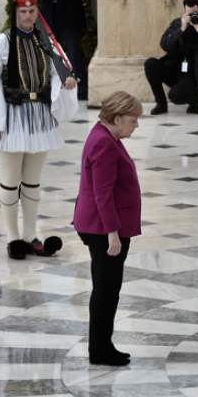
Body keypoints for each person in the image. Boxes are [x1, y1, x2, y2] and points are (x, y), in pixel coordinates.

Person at [0, 0, 78, 260]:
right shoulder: (1, 43)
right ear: (14, 13)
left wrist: (65, 83)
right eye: (23, 12)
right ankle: (12, 237)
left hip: (40, 117)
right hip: (11, 118)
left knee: (32, 182)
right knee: (9, 180)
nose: (28, 17)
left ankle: (30, 236)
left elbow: (57, 73)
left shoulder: (46, 43)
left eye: (32, 12)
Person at [73, 91, 142, 366]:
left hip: (104, 226)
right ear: (116, 118)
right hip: (104, 230)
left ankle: (103, 344)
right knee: (106, 290)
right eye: (133, 120)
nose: (136, 126)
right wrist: (113, 233)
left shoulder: (105, 134)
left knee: (106, 289)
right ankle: (100, 350)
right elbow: (102, 193)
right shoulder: (104, 143)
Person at [144, 0, 198, 115]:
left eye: (195, 14)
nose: (192, 17)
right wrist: (181, 29)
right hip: (176, 70)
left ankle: (194, 99)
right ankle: (161, 104)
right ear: (184, 12)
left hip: (196, 75)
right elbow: (164, 44)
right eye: (189, 14)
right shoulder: (178, 24)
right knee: (150, 64)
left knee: (174, 96)